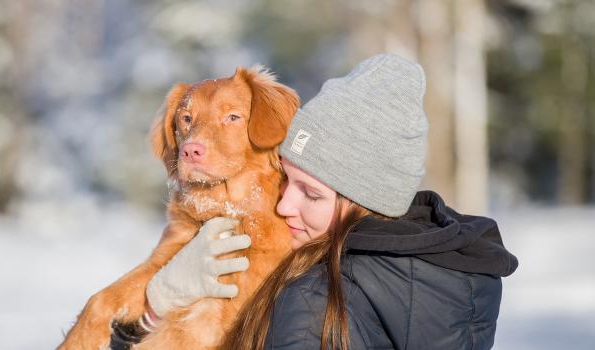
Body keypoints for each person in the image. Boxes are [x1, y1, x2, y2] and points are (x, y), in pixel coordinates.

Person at [113, 53, 518, 350]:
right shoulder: (456, 275)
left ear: (365, 199)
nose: (284, 206)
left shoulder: (311, 304)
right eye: (287, 180)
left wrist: (153, 308)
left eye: (311, 194)